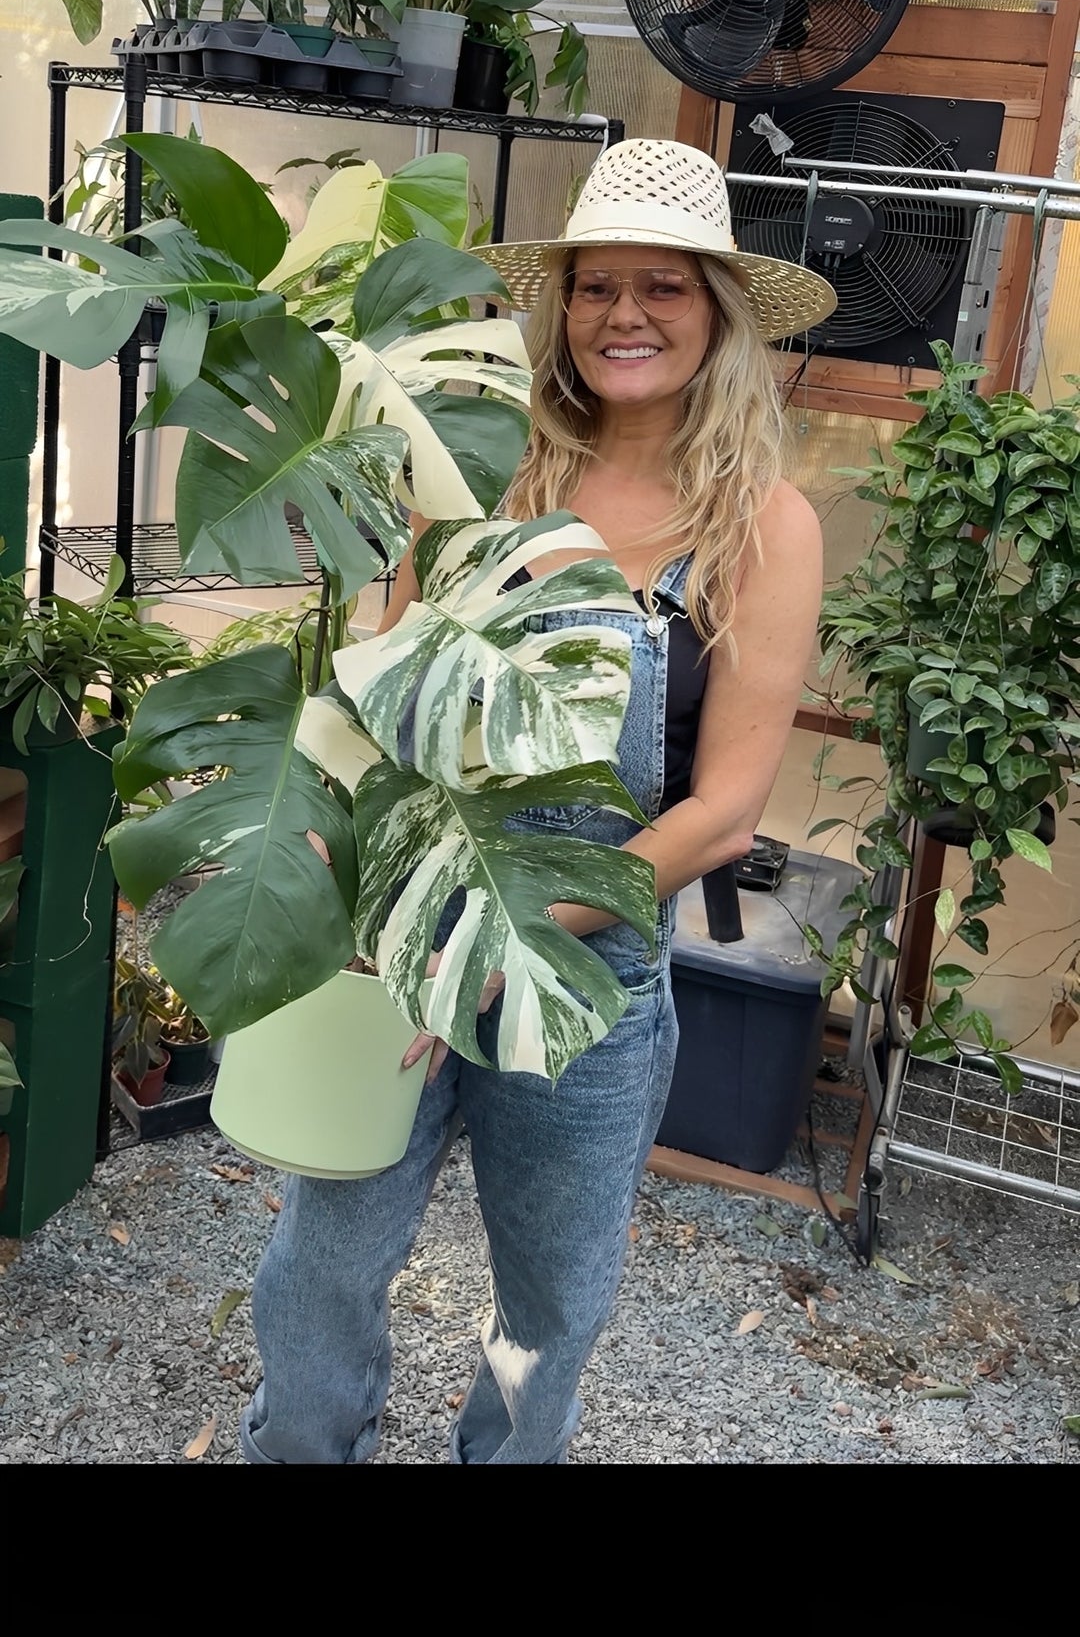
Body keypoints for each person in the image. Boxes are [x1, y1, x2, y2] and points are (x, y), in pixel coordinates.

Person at [240, 136, 836, 1466]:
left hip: (592, 982)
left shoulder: (760, 524)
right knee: (320, 1262)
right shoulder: (482, 462)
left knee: (549, 1305)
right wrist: (385, 917)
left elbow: (728, 809)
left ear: (718, 314)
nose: (625, 315)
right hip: (409, 940)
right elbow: (392, 692)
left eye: (664, 288)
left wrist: (510, 943)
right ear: (559, 311)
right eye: (595, 287)